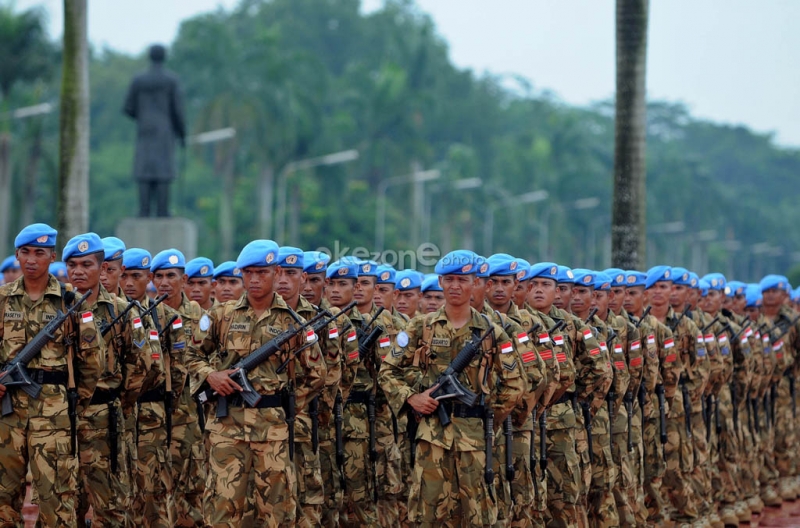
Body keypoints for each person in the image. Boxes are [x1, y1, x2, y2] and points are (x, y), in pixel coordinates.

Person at [379, 250, 526, 526]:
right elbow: (388, 371)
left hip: (475, 439)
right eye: (448, 280)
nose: (455, 286)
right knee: (427, 515)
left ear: (475, 284)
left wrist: (488, 417)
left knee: (477, 516)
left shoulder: (492, 331)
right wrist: (412, 398)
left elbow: (515, 383)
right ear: (441, 283)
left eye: (462, 279)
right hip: (432, 437)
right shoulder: (420, 326)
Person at [185, 239, 326, 526]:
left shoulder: (295, 322)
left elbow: (317, 374)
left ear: (276, 273)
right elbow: (191, 354)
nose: (254, 279)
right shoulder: (221, 315)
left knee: (277, 510)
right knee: (222, 508)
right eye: (248, 273)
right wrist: (211, 375)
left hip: (272, 430)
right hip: (227, 428)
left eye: (262, 273)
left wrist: (286, 405)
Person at [0, 223, 103, 526]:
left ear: (52, 257)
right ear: (17, 255)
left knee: (57, 500)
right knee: (3, 497)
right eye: (26, 252)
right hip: (7, 414)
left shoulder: (71, 301)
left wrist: (73, 403)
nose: (32, 260)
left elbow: (93, 360)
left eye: (40, 253)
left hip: (54, 414)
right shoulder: (3, 299)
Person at [64, 233, 150, 528]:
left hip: (105, 419)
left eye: (86, 264)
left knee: (111, 506)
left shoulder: (122, 310)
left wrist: (119, 403)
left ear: (102, 269)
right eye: (72, 265)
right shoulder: (55, 307)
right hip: (59, 417)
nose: (78, 271)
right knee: (60, 503)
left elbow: (139, 366)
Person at [120, 248, 185, 528]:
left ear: (148, 278)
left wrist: (167, 406)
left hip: (151, 414)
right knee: (118, 487)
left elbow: (180, 370)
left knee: (151, 489)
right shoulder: (113, 312)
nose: (129, 283)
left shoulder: (167, 316)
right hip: (119, 412)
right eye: (124, 276)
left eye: (136, 276)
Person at [150, 249, 205, 526]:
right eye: (158, 276)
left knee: (191, 485)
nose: (164, 282)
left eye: (171, 276)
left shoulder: (199, 315)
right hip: (156, 412)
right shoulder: (148, 315)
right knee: (156, 487)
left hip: (190, 413)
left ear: (183, 280)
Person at [123, 43, 186, 217]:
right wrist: (182, 133)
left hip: (145, 129)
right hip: (164, 130)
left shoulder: (139, 80)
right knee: (163, 171)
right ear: (164, 57)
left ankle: (143, 210)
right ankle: (162, 210)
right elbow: (177, 110)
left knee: (144, 170)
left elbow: (128, 107)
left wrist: (143, 117)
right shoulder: (171, 80)